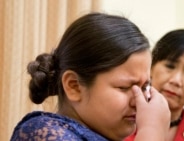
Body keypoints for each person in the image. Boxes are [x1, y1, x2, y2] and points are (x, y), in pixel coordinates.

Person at [10, 13, 170, 141]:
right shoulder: (43, 131)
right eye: (124, 87)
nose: (139, 101)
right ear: (74, 86)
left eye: (144, 88)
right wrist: (152, 130)